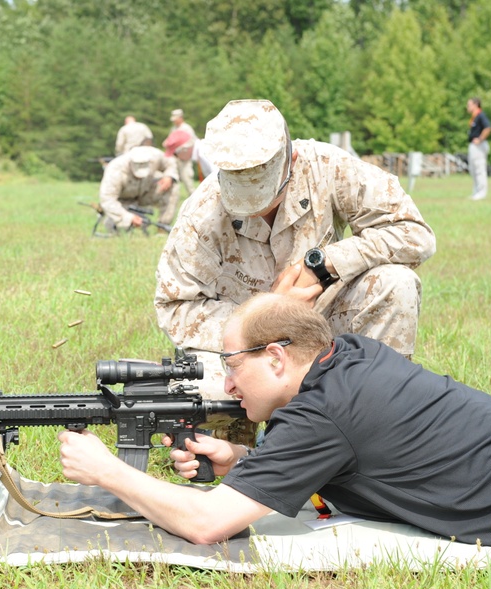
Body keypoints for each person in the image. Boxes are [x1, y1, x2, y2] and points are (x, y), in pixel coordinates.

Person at [59, 293, 491, 550]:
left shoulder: (322, 413)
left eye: (232, 366)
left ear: (277, 357)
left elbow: (209, 524)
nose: (227, 385)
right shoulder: (351, 355)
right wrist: (245, 462)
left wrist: (108, 471)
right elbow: (348, 454)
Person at [155, 99, 436, 415]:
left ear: (292, 158)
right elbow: (175, 307)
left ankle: (373, 419)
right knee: (199, 392)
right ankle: (257, 443)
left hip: (322, 328)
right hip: (247, 347)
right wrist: (261, 318)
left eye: (265, 192)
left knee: (395, 283)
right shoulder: (201, 213)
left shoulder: (326, 166)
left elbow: (414, 233)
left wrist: (325, 262)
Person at [99, 145, 180, 232]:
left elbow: (170, 162)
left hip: (145, 192)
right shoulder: (115, 169)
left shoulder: (155, 155)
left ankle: (162, 227)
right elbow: (107, 199)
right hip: (123, 200)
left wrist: (169, 176)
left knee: (173, 187)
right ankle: (116, 221)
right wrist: (129, 217)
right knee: (117, 229)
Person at [164, 109, 198, 196]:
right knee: (172, 177)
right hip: (174, 157)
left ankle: (193, 198)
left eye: (176, 119)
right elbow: (171, 140)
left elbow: (193, 141)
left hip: (184, 158)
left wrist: (181, 147)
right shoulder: (173, 128)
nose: (174, 121)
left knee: (187, 179)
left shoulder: (186, 128)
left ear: (180, 118)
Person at [466, 97, 491, 200]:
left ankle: (482, 192)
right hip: (473, 146)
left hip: (479, 146)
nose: (467, 107)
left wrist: (480, 139)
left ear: (476, 104)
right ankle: (476, 192)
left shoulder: (481, 115)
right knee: (473, 169)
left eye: (469, 105)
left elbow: (488, 127)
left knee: (479, 169)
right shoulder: (474, 117)